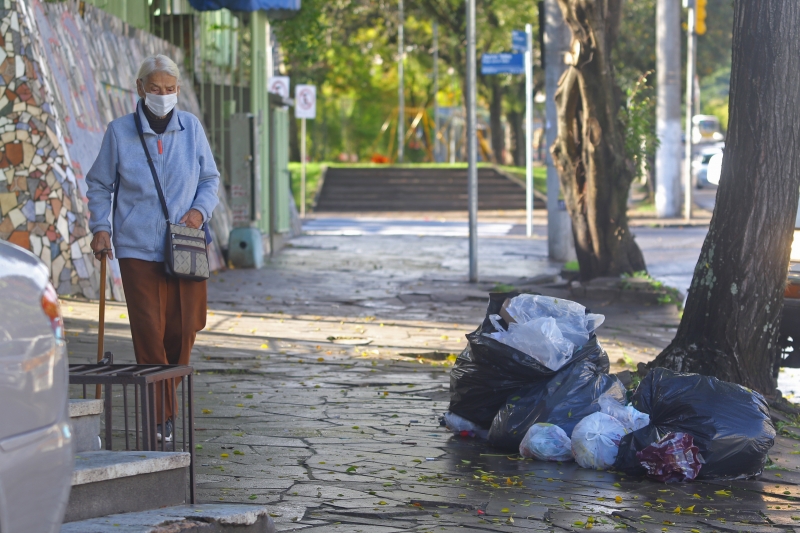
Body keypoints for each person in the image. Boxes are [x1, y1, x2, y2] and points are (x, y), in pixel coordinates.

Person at [86, 55, 220, 442]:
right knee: (149, 332)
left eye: (171, 89)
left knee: (184, 330)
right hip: (137, 249)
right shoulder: (119, 132)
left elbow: (209, 178)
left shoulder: (191, 128)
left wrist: (198, 212)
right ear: (140, 87)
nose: (163, 96)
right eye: (156, 89)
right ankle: (161, 418)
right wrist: (101, 227)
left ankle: (163, 403)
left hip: (186, 245)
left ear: (177, 90)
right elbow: (100, 184)